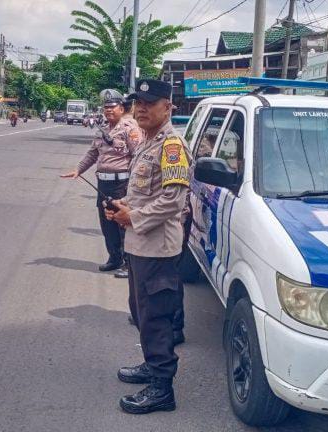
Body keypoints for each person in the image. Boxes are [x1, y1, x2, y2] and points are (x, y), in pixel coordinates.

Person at [104, 79, 191, 414]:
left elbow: (173, 201)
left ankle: (162, 389)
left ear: (167, 107)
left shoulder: (171, 146)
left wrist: (132, 216)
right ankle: (150, 364)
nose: (140, 108)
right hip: (140, 244)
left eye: (148, 103)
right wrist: (121, 204)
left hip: (158, 248)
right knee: (141, 312)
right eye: (137, 102)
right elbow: (144, 192)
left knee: (156, 318)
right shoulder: (147, 142)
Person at [61, 89, 142, 274]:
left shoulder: (130, 128)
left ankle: (129, 264)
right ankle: (114, 258)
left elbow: (138, 156)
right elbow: (92, 153)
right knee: (107, 223)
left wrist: (135, 186)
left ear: (121, 108)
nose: (108, 111)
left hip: (123, 184)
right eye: (106, 108)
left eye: (112, 107)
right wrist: (78, 169)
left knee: (124, 224)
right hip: (104, 184)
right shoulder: (103, 130)